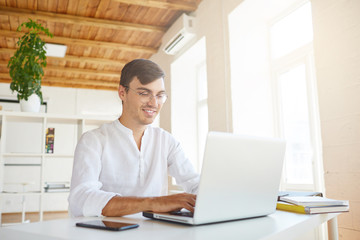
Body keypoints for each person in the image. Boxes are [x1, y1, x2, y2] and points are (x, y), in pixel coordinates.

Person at [68, 59, 199, 217]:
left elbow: (194, 182)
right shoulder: (93, 140)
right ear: (122, 93)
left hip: (154, 232)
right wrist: (152, 203)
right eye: (144, 93)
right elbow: (81, 199)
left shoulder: (166, 141)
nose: (154, 103)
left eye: (160, 95)